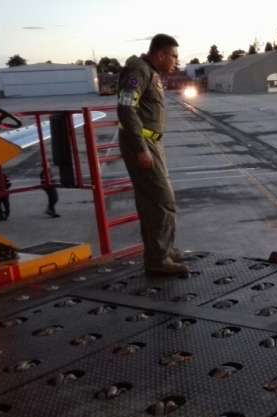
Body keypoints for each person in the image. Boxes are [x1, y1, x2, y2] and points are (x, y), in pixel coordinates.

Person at [117, 33, 188, 275]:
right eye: (174, 57)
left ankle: (162, 251)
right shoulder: (138, 71)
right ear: (161, 54)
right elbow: (126, 108)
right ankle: (159, 260)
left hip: (151, 143)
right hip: (143, 144)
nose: (176, 63)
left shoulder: (149, 71)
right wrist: (141, 149)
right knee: (162, 200)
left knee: (152, 201)